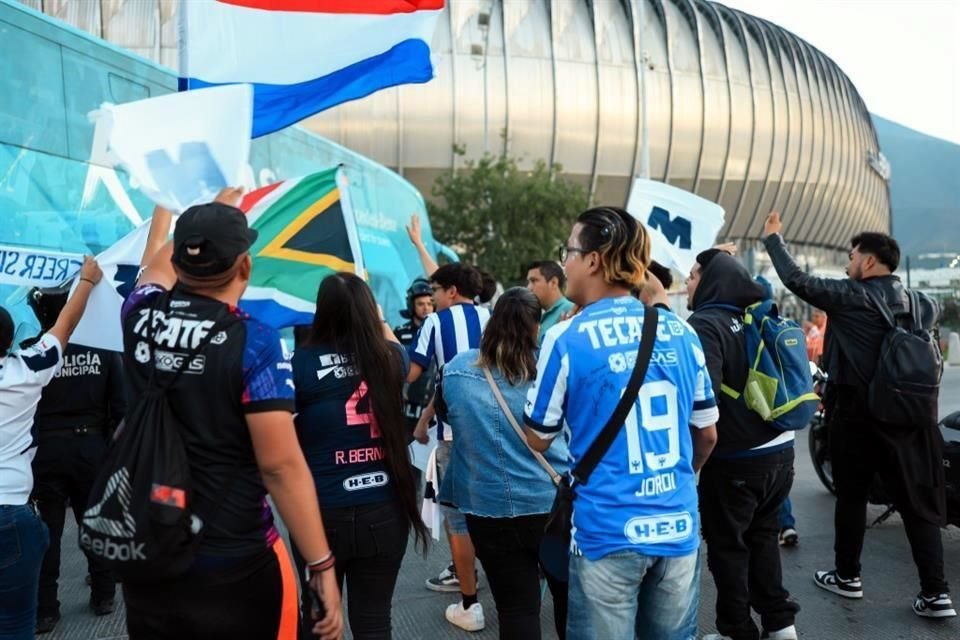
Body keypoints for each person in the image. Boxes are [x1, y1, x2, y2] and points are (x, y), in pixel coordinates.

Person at [119, 195, 343, 639]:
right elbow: (279, 466)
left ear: (182, 260)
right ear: (245, 266)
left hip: (149, 547)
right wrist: (322, 564)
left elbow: (152, 271)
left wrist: (194, 215)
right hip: (234, 555)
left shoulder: (138, 315)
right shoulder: (255, 343)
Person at [524, 206, 719, 640]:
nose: (566, 263)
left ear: (593, 260)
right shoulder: (682, 332)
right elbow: (706, 433)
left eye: (569, 252)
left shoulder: (565, 337)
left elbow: (538, 437)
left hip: (606, 533)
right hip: (678, 525)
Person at [762, 212, 954, 619]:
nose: (848, 264)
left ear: (868, 262)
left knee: (850, 497)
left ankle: (847, 577)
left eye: (852, 256)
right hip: (912, 417)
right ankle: (936, 594)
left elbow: (797, 280)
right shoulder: (923, 303)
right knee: (915, 505)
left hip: (859, 417)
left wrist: (774, 240)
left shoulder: (854, 296)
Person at [292, 273, 429, 639]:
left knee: (319, 621)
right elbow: (393, 347)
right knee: (373, 621)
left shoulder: (299, 364)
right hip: (385, 510)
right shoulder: (389, 358)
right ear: (370, 311)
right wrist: (379, 317)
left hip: (322, 513)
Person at [436, 287, 570, 639]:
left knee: (515, 610)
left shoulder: (457, 370)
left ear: (491, 322)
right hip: (550, 505)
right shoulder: (550, 368)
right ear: (535, 328)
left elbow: (445, 414)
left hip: (486, 508)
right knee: (569, 601)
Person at [686, 248, 800, 640]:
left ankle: (735, 629)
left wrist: (694, 457)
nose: (687, 283)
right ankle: (780, 623)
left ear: (709, 280)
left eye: (692, 275)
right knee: (763, 537)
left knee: (728, 547)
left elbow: (705, 398)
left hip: (735, 459)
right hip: (781, 452)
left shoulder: (705, 324)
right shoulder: (752, 315)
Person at [0, 256, 103, 640]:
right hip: (12, 513)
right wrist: (88, 282)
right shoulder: (26, 370)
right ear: (10, 341)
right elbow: (64, 326)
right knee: (14, 623)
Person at [21, 287, 125, 633]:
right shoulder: (103, 348)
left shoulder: (30, 354)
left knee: (47, 533)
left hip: (45, 453)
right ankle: (104, 593)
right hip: (91, 449)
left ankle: (46, 609)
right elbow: (121, 407)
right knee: (95, 523)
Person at [408, 262, 491, 629]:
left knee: (458, 519)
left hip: (453, 437)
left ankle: (469, 602)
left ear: (451, 291)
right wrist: (425, 419)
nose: (434, 299)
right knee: (495, 509)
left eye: (436, 291)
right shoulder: (493, 317)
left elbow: (413, 372)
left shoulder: (434, 324)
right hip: (496, 432)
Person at [393, 278, 436, 486]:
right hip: (404, 413)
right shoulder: (399, 333)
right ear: (412, 305)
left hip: (431, 411)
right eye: (421, 303)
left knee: (432, 475)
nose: (426, 308)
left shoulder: (439, 330)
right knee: (406, 472)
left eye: (430, 303)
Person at [525, 261, 574, 342]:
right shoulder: (539, 315)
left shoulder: (570, 311)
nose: (528, 287)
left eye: (534, 281)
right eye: (528, 282)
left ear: (553, 282)